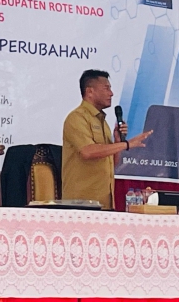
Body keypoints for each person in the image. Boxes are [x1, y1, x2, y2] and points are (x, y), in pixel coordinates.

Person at [62, 69, 153, 209]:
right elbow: (87, 152)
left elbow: (111, 163)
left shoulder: (103, 122)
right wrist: (127, 144)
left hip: (104, 202)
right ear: (90, 91)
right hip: (81, 203)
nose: (111, 93)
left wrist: (118, 142)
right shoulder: (76, 117)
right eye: (106, 88)